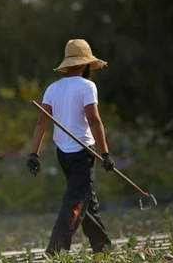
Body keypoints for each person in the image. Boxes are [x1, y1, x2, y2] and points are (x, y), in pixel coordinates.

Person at [25, 39, 115, 257]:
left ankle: (103, 250)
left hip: (62, 155)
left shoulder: (52, 88)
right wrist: (105, 153)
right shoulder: (87, 86)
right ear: (85, 64)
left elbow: (41, 123)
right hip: (84, 154)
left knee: (87, 201)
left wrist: (33, 154)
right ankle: (55, 251)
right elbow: (94, 121)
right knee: (75, 201)